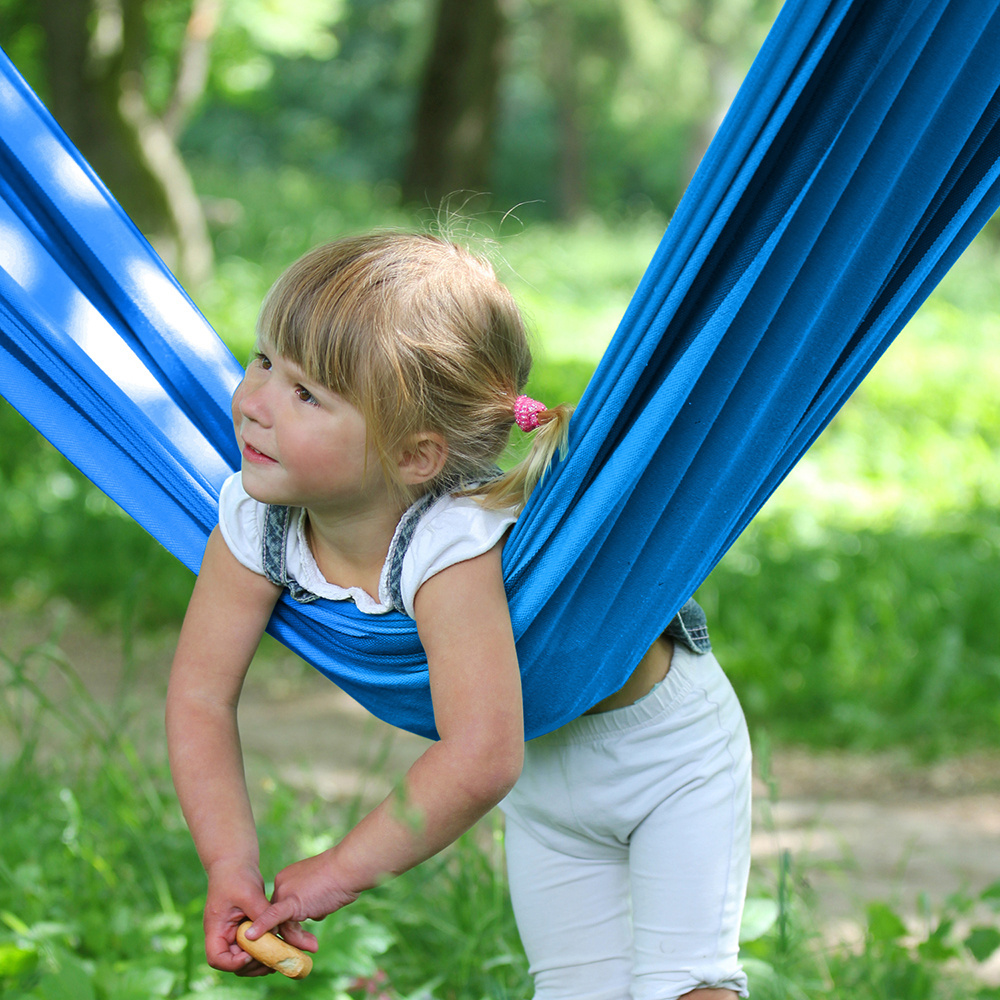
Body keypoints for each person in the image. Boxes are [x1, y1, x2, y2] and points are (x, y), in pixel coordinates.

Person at [166, 231, 752, 1000]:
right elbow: (200, 695)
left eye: (307, 394)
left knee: (688, 986)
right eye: (265, 360)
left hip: (669, 757)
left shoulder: (450, 543)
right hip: (547, 788)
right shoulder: (255, 518)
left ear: (414, 455)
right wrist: (229, 863)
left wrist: (337, 874)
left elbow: (480, 756)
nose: (254, 403)